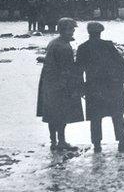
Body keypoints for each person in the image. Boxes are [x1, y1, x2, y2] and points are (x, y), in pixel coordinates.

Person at [76, 22, 124, 153]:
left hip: (93, 85)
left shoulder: (82, 48)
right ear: (100, 32)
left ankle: (97, 145)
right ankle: (122, 142)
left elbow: (78, 70)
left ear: (89, 32)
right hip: (112, 85)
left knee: (95, 117)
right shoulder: (108, 45)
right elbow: (120, 61)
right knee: (117, 114)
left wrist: (81, 87)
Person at [36, 18, 84, 151]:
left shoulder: (53, 43)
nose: (73, 31)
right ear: (64, 30)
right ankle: (61, 141)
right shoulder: (64, 47)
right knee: (62, 114)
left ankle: (53, 142)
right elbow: (66, 69)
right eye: (71, 29)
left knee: (51, 114)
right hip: (60, 85)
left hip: (48, 83)